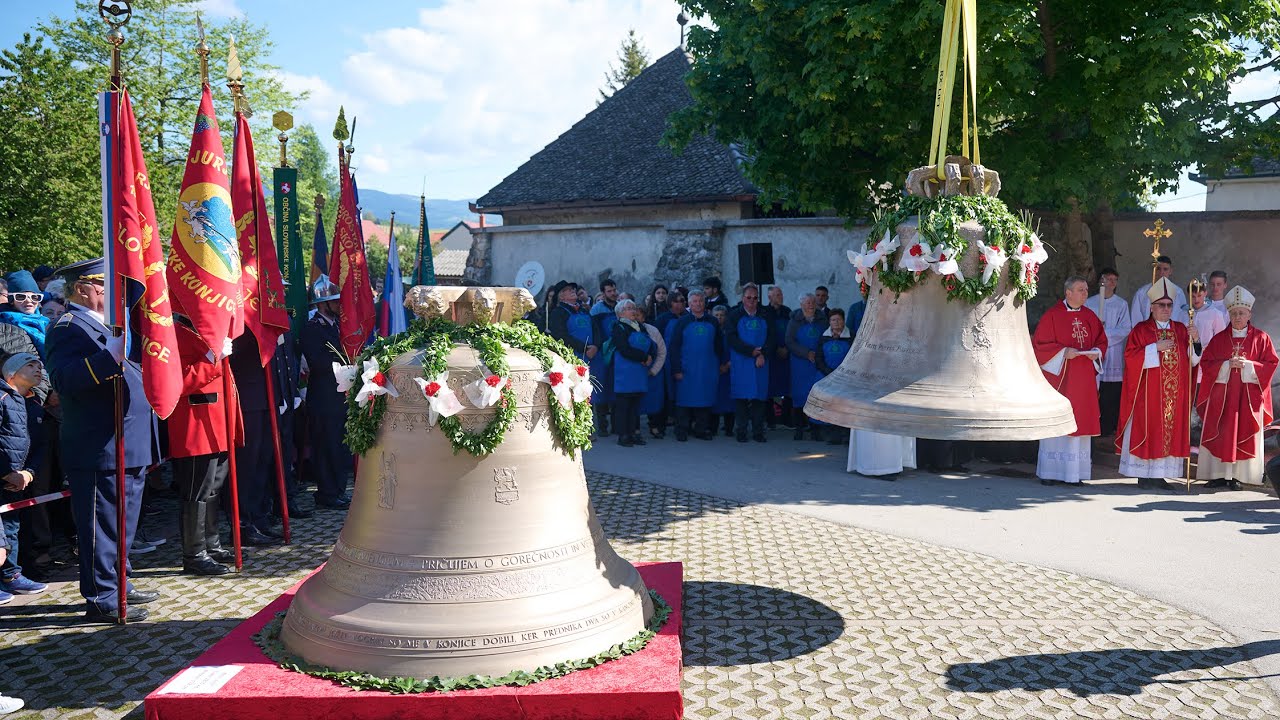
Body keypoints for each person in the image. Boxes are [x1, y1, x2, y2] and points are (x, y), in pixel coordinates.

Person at [45, 258, 160, 622]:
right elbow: (64, 380)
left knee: (124, 520)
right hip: (100, 442)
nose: (118, 295)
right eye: (107, 286)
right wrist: (107, 357)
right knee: (102, 523)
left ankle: (119, 582)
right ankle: (100, 597)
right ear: (83, 288)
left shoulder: (112, 324)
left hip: (130, 437)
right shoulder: (67, 327)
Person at [168, 315, 237, 575]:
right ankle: (194, 554)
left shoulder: (208, 328)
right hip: (195, 424)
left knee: (213, 488)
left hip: (218, 423)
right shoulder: (174, 332)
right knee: (196, 491)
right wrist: (211, 358)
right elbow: (178, 382)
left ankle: (212, 543)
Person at [1116, 277, 1199, 491]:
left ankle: (1161, 475)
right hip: (1148, 394)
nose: (1165, 309)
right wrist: (1155, 348)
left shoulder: (1182, 329)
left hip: (1174, 395)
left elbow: (1194, 360)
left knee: (1168, 434)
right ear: (1152, 307)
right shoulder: (1141, 330)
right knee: (1149, 430)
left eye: (1169, 305)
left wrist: (1196, 341)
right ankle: (1143, 475)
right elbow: (1130, 358)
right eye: (1161, 305)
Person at [1195, 286, 1277, 489]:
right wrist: (1225, 365)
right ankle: (1218, 475)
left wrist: (1248, 367)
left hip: (1247, 399)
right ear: (1229, 314)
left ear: (1249, 313)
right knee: (1221, 431)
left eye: (1241, 312)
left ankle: (1240, 476)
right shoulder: (1219, 340)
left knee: (1243, 431)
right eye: (1233, 313)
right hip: (1221, 398)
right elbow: (1206, 363)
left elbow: (1271, 364)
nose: (1237, 316)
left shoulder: (1261, 338)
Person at [1034, 277, 1107, 486]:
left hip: (1083, 380)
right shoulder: (1052, 316)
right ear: (1068, 293)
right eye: (1080, 290)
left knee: (1079, 421)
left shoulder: (1089, 316)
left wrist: (1097, 353)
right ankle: (1050, 473)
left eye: (1085, 290)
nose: (1085, 293)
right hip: (1061, 380)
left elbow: (1102, 341)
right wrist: (1064, 352)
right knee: (1057, 421)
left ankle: (1074, 474)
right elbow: (1040, 346)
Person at [299, 276, 352, 510]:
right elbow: (317, 362)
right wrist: (346, 364)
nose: (340, 305)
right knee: (326, 445)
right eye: (335, 302)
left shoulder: (338, 326)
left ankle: (338, 489)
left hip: (339, 396)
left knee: (339, 445)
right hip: (323, 397)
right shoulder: (312, 329)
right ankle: (327, 492)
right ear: (322, 304)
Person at [0, 352, 47, 596]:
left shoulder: (35, 404)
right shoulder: (2, 398)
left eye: (40, 366)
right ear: (12, 372)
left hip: (20, 481)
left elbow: (40, 445)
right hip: (6, 478)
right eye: (30, 365)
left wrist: (28, 472)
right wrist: (7, 473)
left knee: (12, 529)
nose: (38, 369)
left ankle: (11, 576)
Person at [668, 291, 723, 441]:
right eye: (695, 301)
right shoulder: (682, 322)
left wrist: (722, 363)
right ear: (689, 304)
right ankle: (682, 429)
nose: (698, 304)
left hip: (707, 368)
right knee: (684, 400)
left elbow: (719, 345)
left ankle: (701, 429)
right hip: (687, 369)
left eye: (700, 301)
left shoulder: (713, 321)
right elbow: (674, 347)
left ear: (704, 303)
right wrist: (676, 369)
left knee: (704, 399)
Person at [1085, 267, 1131, 437]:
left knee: (1111, 392)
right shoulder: (1090, 303)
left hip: (1113, 353)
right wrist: (1096, 334)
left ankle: (1110, 427)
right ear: (1100, 281)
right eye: (1108, 279)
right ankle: (1094, 425)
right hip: (1093, 351)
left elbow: (1126, 327)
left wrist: (1105, 333)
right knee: (1095, 389)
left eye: (1114, 280)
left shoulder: (1121, 304)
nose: (1111, 283)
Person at [725, 283, 774, 443]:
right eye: (748, 297)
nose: (752, 301)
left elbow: (772, 338)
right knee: (741, 397)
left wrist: (762, 354)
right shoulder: (733, 315)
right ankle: (741, 431)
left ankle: (758, 431)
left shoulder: (765, 315)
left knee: (759, 398)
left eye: (755, 298)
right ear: (742, 298)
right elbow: (732, 338)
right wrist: (750, 351)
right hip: (741, 361)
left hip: (761, 362)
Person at [610, 300, 655, 447]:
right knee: (624, 405)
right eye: (629, 309)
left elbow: (651, 344)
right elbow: (624, 348)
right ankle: (623, 435)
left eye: (634, 308)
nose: (634, 311)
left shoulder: (640, 327)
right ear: (620, 313)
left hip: (639, 372)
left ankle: (634, 433)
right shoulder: (619, 327)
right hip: (625, 372)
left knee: (636, 404)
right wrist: (643, 357)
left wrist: (650, 356)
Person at [786, 294, 826, 440]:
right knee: (799, 396)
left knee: (816, 395)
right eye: (808, 302)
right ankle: (799, 428)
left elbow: (826, 338)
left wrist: (819, 354)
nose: (811, 305)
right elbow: (789, 341)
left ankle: (816, 429)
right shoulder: (794, 320)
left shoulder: (822, 319)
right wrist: (806, 353)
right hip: (800, 364)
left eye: (813, 302)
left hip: (817, 363)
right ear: (802, 304)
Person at [815, 309, 852, 445]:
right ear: (829, 322)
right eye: (833, 320)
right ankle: (832, 435)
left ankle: (846, 434)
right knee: (830, 406)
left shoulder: (851, 337)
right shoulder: (823, 337)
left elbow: (855, 357)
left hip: (845, 378)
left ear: (844, 321)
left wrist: (843, 373)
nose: (836, 322)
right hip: (827, 377)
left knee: (845, 406)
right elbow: (818, 358)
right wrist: (828, 372)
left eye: (839, 319)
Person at [0, 270, 52, 357]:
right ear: (11, 300)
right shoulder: (5, 325)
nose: (29, 301)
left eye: (35, 297)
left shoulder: (45, 322)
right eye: (21, 296)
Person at [590, 285, 619, 437]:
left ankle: (616, 425)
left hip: (617, 352)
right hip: (602, 354)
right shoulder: (597, 310)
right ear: (603, 293)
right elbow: (595, 330)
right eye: (609, 291)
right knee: (601, 389)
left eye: (614, 290)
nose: (613, 293)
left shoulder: (619, 306)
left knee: (616, 389)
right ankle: (602, 425)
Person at [637, 306, 668, 440]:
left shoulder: (653, 330)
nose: (636, 317)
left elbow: (662, 352)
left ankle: (654, 426)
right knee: (636, 401)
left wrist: (654, 370)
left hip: (653, 374)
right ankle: (635, 428)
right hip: (636, 373)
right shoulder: (626, 331)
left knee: (654, 401)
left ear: (643, 316)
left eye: (638, 315)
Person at [547, 281, 598, 364]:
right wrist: (585, 348)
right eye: (567, 290)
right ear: (561, 296)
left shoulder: (584, 310)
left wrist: (596, 346)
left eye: (572, 289)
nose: (572, 291)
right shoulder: (558, 313)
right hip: (574, 358)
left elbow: (596, 329)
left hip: (594, 356)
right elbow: (561, 336)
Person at [1130, 255, 1189, 325]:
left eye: (1165, 269)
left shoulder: (1178, 292)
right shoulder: (1142, 293)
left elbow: (1183, 316)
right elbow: (1136, 317)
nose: (1161, 272)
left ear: (1170, 271)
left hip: (1172, 332)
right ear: (1154, 270)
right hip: (1148, 333)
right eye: (1158, 269)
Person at [763, 286, 792, 430]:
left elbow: (792, 332)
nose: (780, 297)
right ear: (769, 297)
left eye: (781, 294)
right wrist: (775, 349)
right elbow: (766, 334)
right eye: (777, 295)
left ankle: (786, 418)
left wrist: (787, 348)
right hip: (771, 356)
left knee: (787, 388)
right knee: (769, 388)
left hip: (786, 356)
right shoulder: (764, 312)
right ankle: (770, 419)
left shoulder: (787, 312)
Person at [1188, 278, 1228, 361]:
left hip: (1207, 358)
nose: (1196, 300)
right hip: (1187, 357)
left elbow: (1221, 340)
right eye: (1193, 296)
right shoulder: (1184, 313)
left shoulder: (1215, 314)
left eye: (1199, 295)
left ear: (1205, 293)